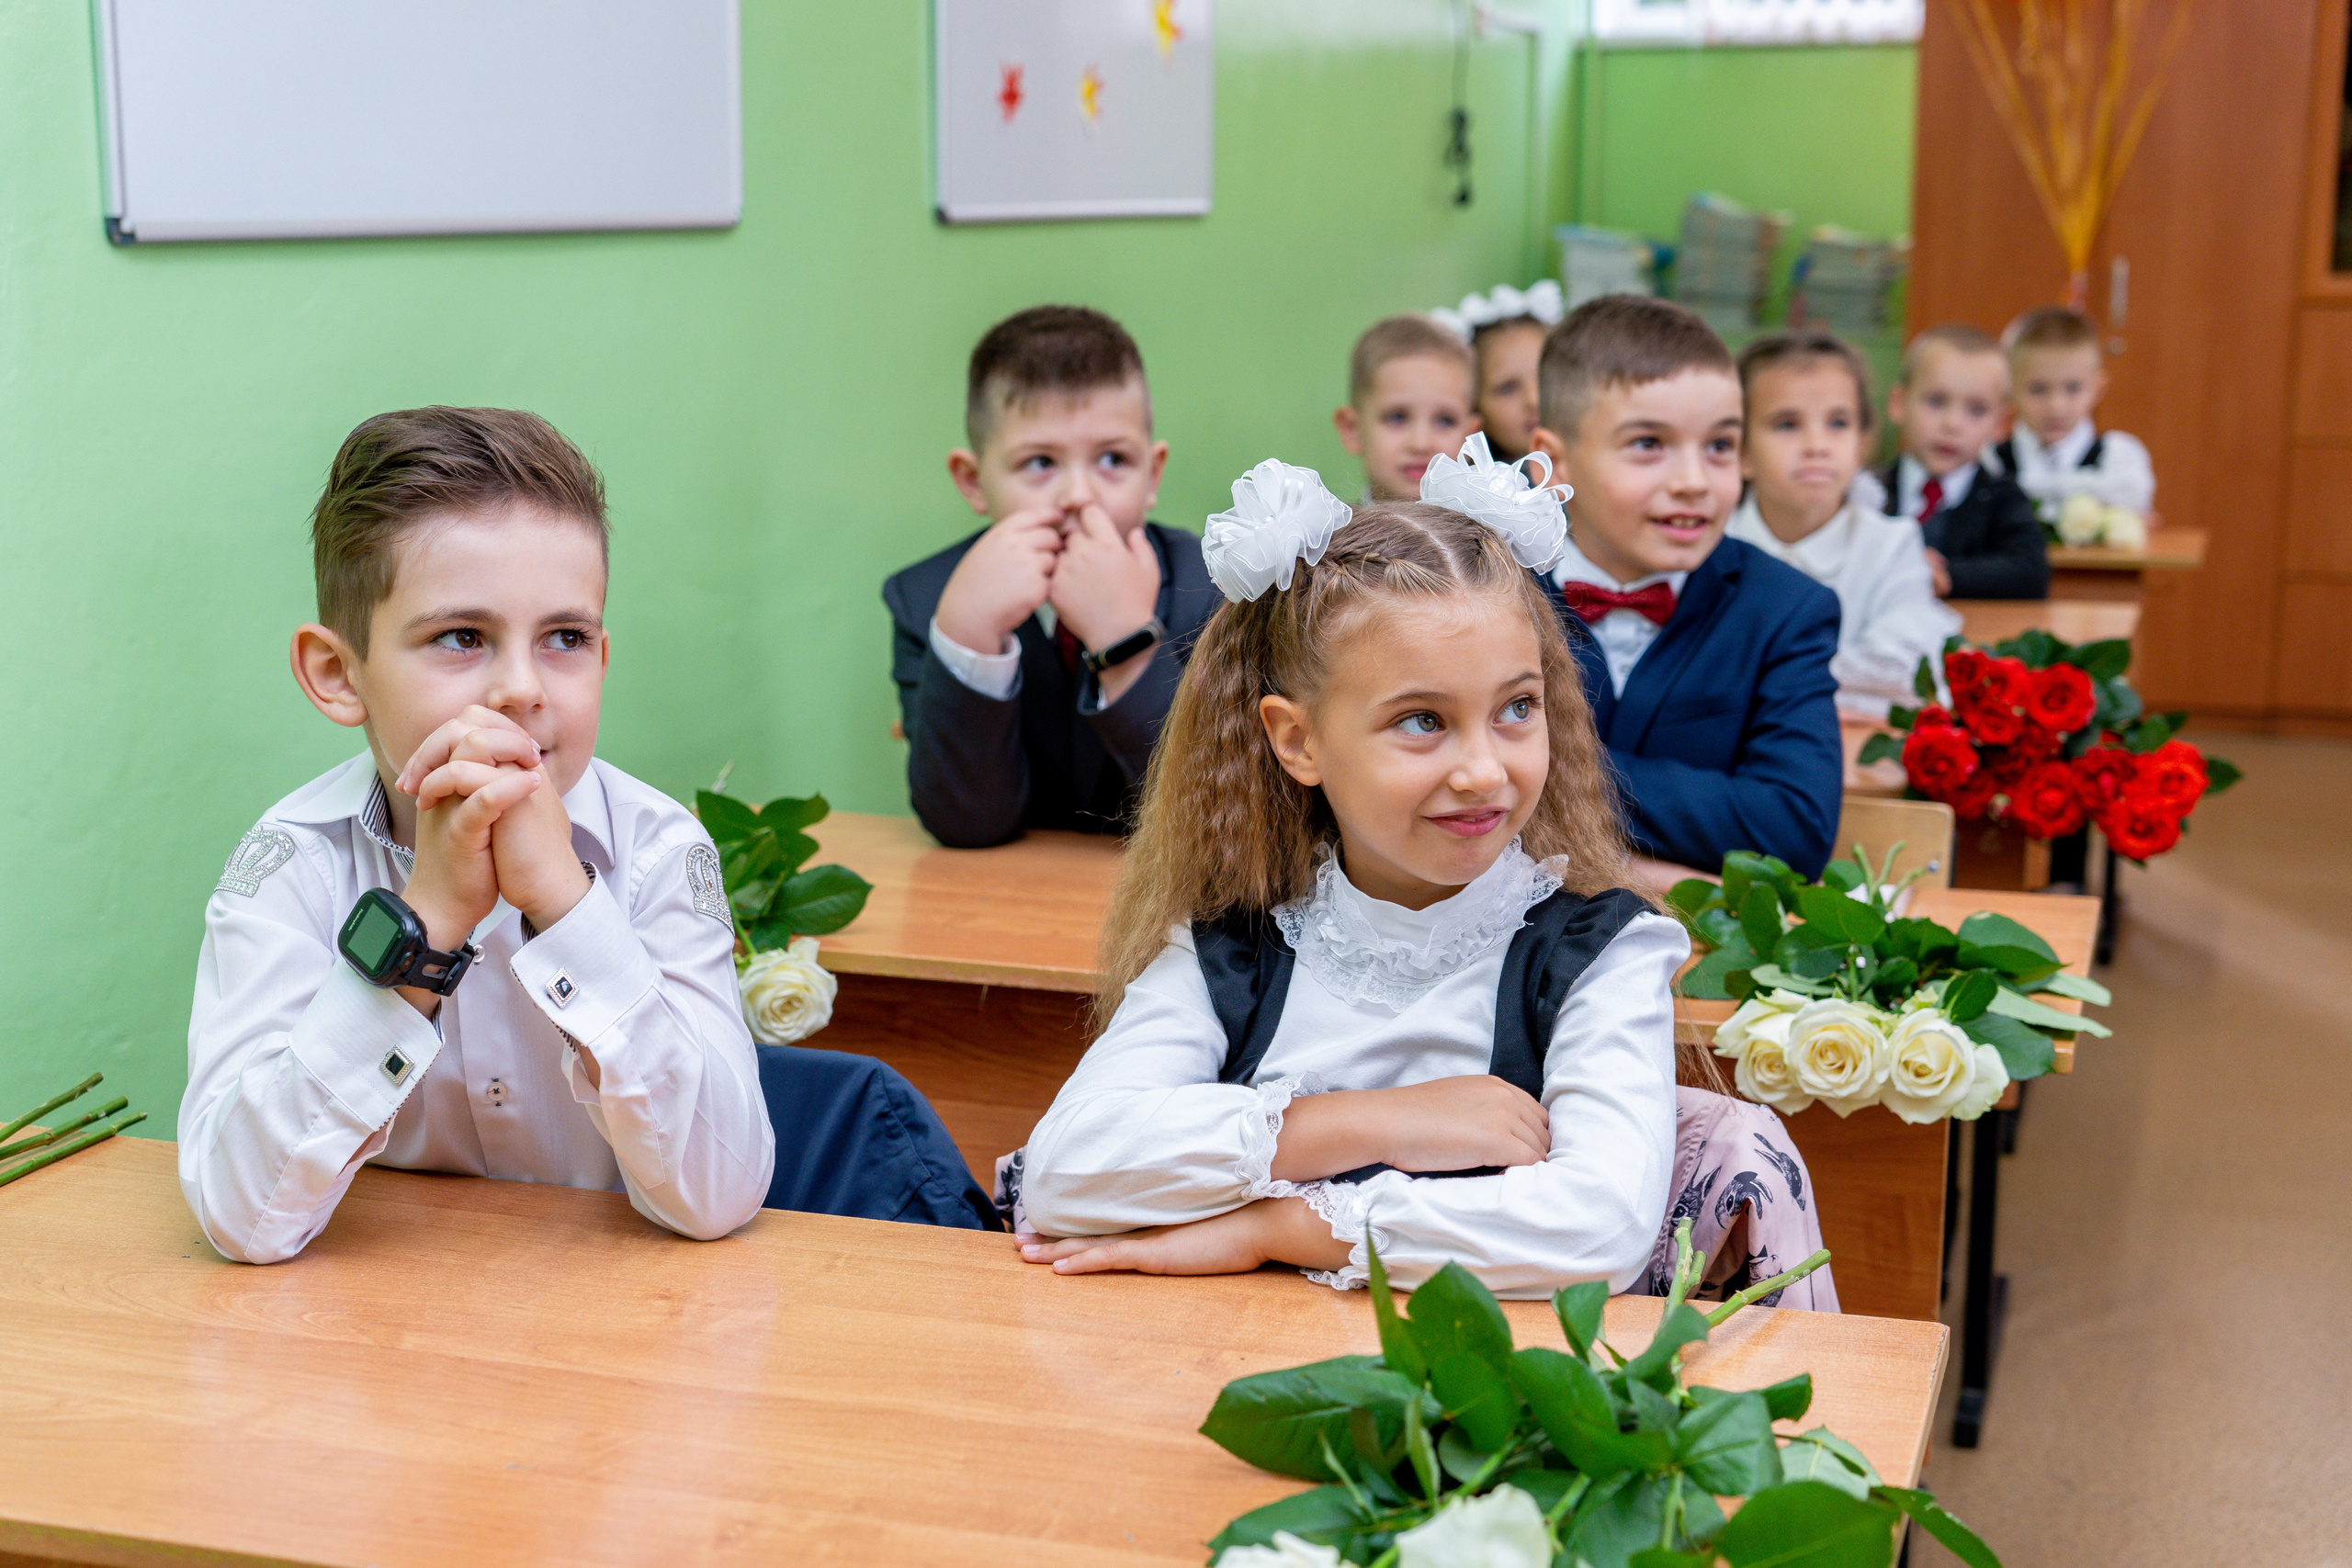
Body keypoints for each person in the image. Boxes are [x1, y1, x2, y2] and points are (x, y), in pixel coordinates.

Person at [185, 408, 985, 1266]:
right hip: (384, 1335)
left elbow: (719, 1194)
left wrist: (566, 906)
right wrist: (428, 924)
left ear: (602, 657)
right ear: (339, 674)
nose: (524, 687)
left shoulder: (660, 854)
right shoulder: (291, 862)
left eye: (564, 638)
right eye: (462, 637)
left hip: (626, 1329)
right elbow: (241, 1215)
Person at [1004, 452, 1688, 1297]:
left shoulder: (1600, 954)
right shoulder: (1237, 952)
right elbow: (1066, 1169)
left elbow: (1600, 1227)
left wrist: (1280, 1226)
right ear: (1298, 741)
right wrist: (1379, 1122)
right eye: (1423, 721)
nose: (1483, 769)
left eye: (1517, 707)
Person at [1525, 296, 1845, 879]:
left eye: (1720, 446)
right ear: (1555, 462)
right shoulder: (1489, 592)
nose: (1695, 482)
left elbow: (1794, 826)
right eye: (1649, 444)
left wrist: (1547, 771)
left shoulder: (1786, 609)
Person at [883, 306, 1219, 849]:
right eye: (1040, 463)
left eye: (1112, 459)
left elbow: (1217, 822)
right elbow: (965, 822)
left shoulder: (1214, 589)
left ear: (1152, 474)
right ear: (973, 481)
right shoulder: (924, 600)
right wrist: (969, 636)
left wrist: (1126, 645)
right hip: (1009, 904)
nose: (1078, 496)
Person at [1726, 330, 1961, 721]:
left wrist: (1757, 681)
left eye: (1838, 423)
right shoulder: (1710, 547)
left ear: (1861, 445)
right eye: (1787, 424)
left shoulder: (1893, 545)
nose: (1817, 444)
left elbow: (1902, 671)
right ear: (1740, 450)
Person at [1878, 323, 2049, 601]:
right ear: (1899, 404)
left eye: (1976, 410)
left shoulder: (2003, 497)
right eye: (1936, 401)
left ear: (2001, 424)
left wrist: (1940, 574)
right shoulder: (1869, 489)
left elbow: (2030, 573)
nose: (1953, 424)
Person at [1984, 305, 2155, 515]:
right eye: (2038, 389)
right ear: (2008, 390)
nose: (2056, 406)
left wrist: (2024, 487)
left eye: (2073, 388)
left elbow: (2133, 494)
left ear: (2098, 389)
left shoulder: (2119, 453)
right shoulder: (1990, 459)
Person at [1333, 313, 1481, 502]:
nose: (1421, 444)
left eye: (1445, 421)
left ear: (1471, 438)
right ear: (1352, 429)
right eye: (1397, 417)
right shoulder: (1322, 531)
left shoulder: (1501, 531)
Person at [1432, 280, 1566, 462]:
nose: (1534, 400)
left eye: (1545, 378)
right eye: (1508, 388)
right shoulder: (1473, 487)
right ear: (1474, 406)